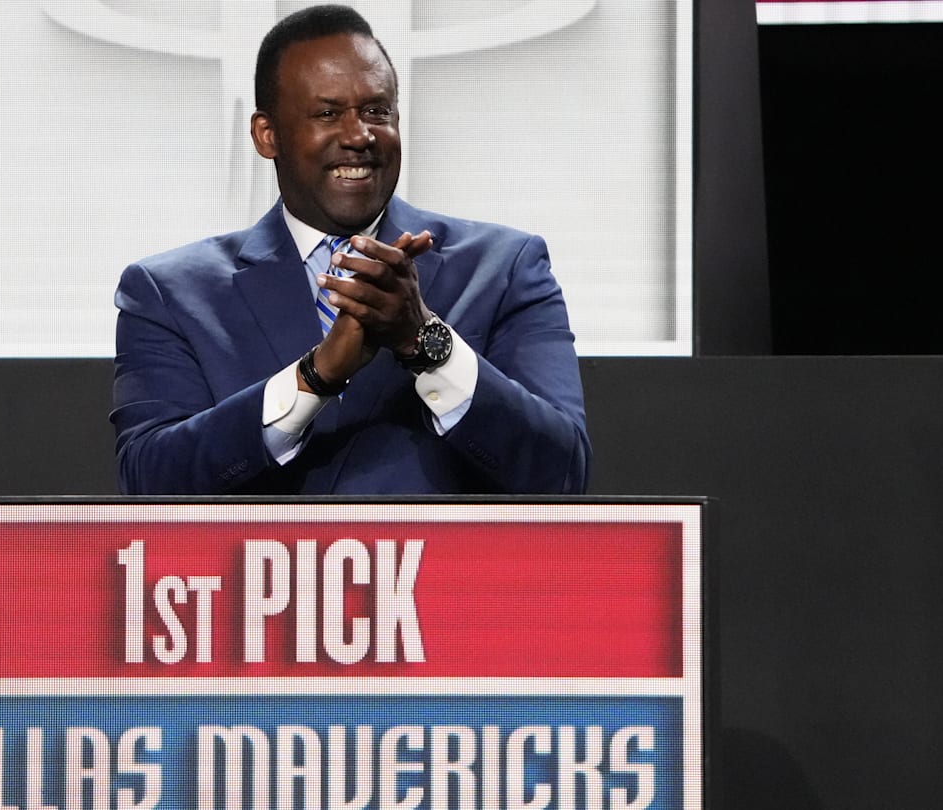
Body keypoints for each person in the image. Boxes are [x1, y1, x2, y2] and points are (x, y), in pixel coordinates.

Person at [111, 4, 589, 495]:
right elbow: (150, 482)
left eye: (377, 112)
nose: (359, 136)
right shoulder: (168, 293)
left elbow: (562, 474)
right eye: (328, 113)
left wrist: (426, 342)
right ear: (267, 135)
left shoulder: (504, 268)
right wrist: (314, 377)